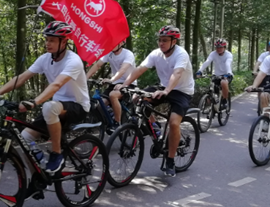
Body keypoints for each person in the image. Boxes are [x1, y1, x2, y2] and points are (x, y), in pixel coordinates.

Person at [0, 21, 90, 175]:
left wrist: (34, 102)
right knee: (24, 138)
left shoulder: (73, 60)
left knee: (49, 106)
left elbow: (57, 84)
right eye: (46, 39)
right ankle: (38, 178)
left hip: (77, 106)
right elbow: (22, 77)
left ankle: (56, 154)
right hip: (56, 107)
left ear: (64, 41)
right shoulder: (45, 58)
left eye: (52, 40)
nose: (47, 43)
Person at [116, 25, 195, 177]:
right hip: (163, 87)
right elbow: (140, 69)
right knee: (137, 98)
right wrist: (124, 85)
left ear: (174, 41)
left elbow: (177, 74)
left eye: (165, 40)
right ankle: (155, 128)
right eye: (159, 40)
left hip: (181, 91)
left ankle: (170, 160)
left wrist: (166, 91)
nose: (161, 43)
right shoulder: (156, 54)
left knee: (173, 123)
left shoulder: (181, 54)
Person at [86, 39, 136, 125]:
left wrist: (111, 80)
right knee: (99, 104)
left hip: (128, 83)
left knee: (113, 95)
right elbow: (97, 65)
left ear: (121, 43)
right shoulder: (109, 53)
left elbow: (123, 69)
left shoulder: (128, 54)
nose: (112, 44)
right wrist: (85, 78)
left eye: (114, 42)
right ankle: (108, 120)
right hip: (115, 83)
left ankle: (118, 123)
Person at [195, 38, 233, 108]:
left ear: (224, 47)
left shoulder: (228, 55)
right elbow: (207, 62)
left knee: (223, 83)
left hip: (227, 75)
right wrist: (200, 71)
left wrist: (228, 73)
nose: (218, 49)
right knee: (211, 88)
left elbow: (228, 63)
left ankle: (224, 100)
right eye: (217, 47)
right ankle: (212, 107)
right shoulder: (213, 53)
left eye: (220, 47)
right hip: (217, 75)